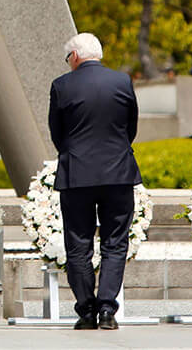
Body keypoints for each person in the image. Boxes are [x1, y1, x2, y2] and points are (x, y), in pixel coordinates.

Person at [49, 32, 140, 331]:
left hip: (77, 174)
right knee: (115, 243)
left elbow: (57, 134)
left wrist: (75, 153)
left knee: (78, 245)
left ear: (74, 56)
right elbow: (131, 127)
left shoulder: (61, 86)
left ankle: (86, 309)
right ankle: (106, 309)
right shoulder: (122, 82)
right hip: (118, 173)